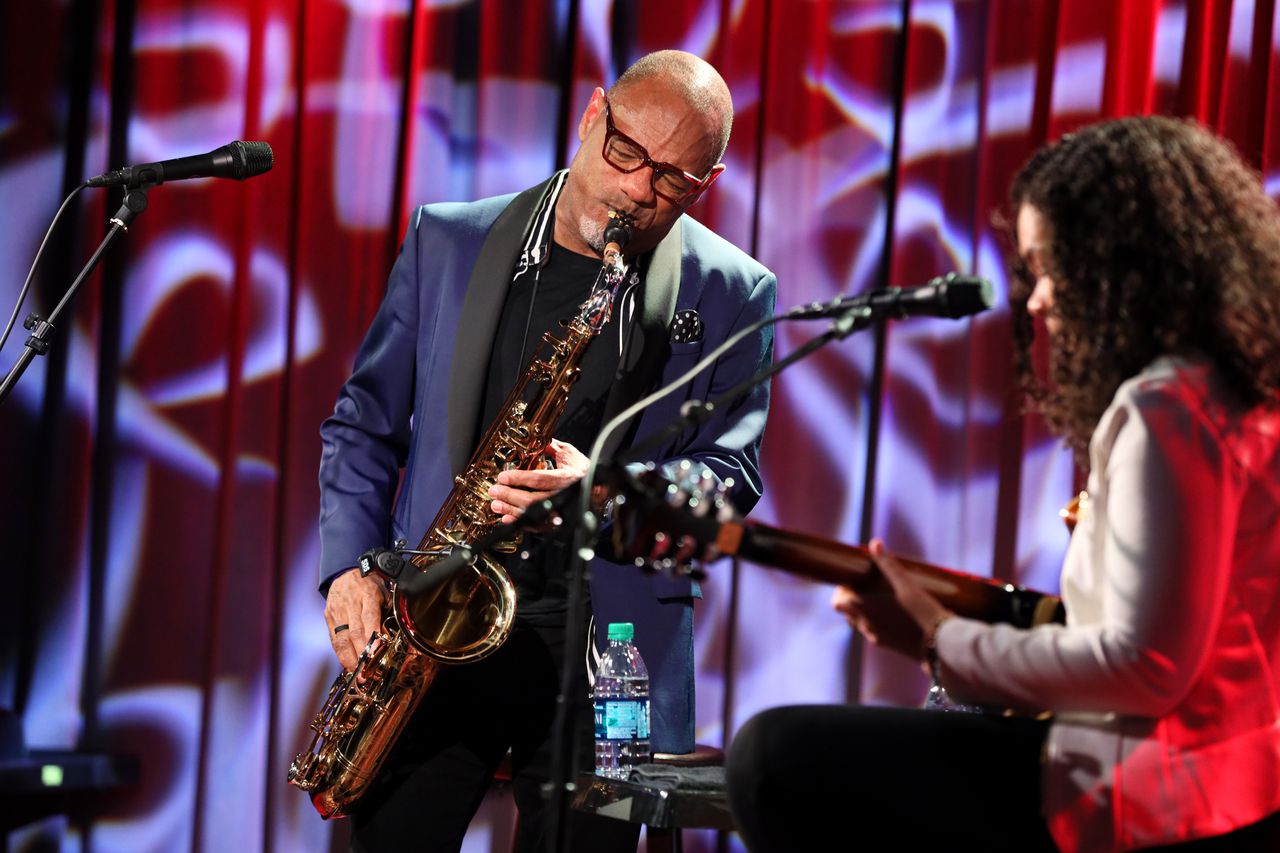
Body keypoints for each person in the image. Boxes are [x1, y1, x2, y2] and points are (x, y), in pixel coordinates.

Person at [725, 115, 1280, 853]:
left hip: (1150, 799)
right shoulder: (1240, 400)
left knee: (774, 752)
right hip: (1235, 788)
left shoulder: (1165, 405)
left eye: (1050, 266)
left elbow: (1145, 667)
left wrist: (937, 638)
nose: (1039, 300)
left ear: (1120, 266)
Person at [316, 50, 776, 853]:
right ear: (592, 114)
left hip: (612, 654)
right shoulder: (447, 238)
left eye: (675, 180)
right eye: (628, 153)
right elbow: (364, 420)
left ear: (710, 181)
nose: (640, 189)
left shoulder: (734, 290)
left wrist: (602, 489)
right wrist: (348, 566)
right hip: (433, 619)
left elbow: (729, 475)